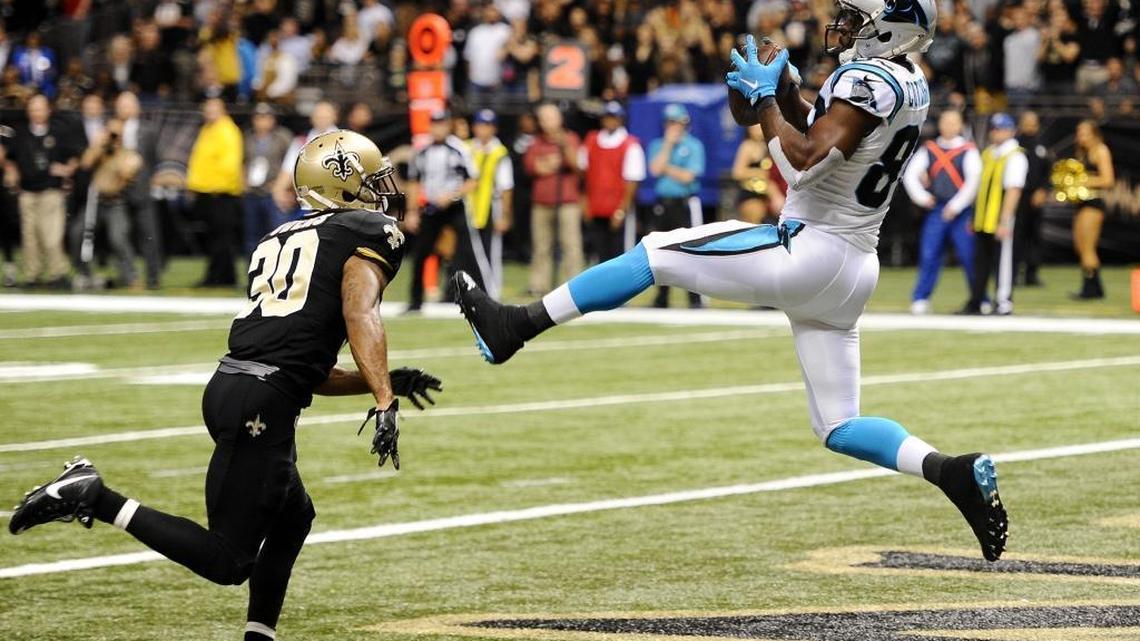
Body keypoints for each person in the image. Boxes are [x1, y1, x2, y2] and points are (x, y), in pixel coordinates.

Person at [454, 10, 1008, 566]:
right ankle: (949, 471)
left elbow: (802, 162)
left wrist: (768, 103)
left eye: (853, 16)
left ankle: (516, 326)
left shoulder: (864, 80)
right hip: (855, 268)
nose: (840, 24)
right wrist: (784, 93)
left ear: (887, 25)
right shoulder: (908, 80)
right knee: (839, 425)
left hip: (809, 250)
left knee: (656, 254)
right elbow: (826, 133)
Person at [9, 130, 443, 641]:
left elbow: (307, 368)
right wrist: (384, 399)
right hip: (260, 401)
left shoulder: (279, 237)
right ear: (340, 186)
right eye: (370, 181)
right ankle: (94, 495)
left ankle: (260, 636)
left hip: (237, 387)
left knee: (293, 516)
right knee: (228, 559)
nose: (381, 192)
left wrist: (382, 380)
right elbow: (359, 312)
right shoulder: (364, 232)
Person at [902, 109, 980, 314]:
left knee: (969, 255)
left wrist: (955, 206)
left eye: (954, 122)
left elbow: (973, 182)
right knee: (929, 254)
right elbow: (910, 175)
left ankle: (979, 297)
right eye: (946, 122)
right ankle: (920, 298)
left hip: (960, 212)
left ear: (961, 125)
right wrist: (922, 198)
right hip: (936, 209)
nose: (949, 126)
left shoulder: (968, 150)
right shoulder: (930, 148)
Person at [404, 109, 480, 312]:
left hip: (454, 206)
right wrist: (411, 211)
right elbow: (413, 181)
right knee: (421, 253)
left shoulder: (459, 149)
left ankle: (470, 298)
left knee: (465, 252)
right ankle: (415, 301)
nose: (438, 128)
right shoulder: (422, 151)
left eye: (442, 124)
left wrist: (453, 195)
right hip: (430, 206)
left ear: (448, 125)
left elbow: (472, 180)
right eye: (435, 124)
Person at [3, 94, 80, 287]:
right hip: (27, 192)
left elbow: (74, 157)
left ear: (48, 110)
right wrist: (11, 171)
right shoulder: (21, 134)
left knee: (51, 235)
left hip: (50, 191)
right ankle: (32, 275)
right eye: (33, 108)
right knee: (30, 236)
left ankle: (58, 274)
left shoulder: (58, 132)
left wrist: (66, 170)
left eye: (40, 108)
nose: (36, 112)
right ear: (29, 111)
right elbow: (9, 158)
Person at [959, 113, 1027, 316]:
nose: (996, 132)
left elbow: (1013, 190)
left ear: (1011, 130)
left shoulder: (1015, 155)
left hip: (1000, 219)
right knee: (980, 262)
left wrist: (1004, 221)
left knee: (1002, 262)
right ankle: (976, 300)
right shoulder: (988, 153)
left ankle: (1003, 302)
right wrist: (973, 215)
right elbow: (979, 187)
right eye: (994, 128)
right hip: (983, 218)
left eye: (1001, 128)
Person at [647, 103, 705, 308]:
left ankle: (695, 298)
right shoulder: (658, 145)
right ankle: (662, 297)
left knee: (691, 250)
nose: (674, 126)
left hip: (685, 203)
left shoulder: (694, 145)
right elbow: (654, 169)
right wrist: (668, 146)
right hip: (663, 203)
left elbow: (688, 177)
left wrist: (667, 168)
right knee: (661, 251)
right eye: (670, 122)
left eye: (678, 122)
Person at [525, 103, 583, 295]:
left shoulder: (571, 139)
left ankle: (573, 286)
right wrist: (550, 164)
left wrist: (563, 146)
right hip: (541, 202)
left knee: (571, 245)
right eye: (545, 118)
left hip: (567, 202)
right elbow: (532, 167)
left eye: (552, 117)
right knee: (541, 246)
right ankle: (538, 285)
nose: (548, 122)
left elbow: (577, 165)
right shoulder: (535, 143)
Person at [77, 118, 143, 287]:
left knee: (118, 237)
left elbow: (126, 174)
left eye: (116, 134)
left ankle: (131, 277)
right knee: (77, 233)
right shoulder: (100, 151)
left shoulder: (128, 154)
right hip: (95, 203)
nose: (113, 137)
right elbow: (85, 163)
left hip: (116, 203)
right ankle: (84, 274)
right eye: (110, 133)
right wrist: (100, 144)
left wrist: (115, 150)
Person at [186, 98, 243, 287]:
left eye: (213, 108)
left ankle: (217, 277)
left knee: (221, 239)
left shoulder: (226, 131)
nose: (209, 112)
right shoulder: (208, 129)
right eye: (207, 108)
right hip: (208, 192)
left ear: (223, 110)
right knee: (217, 238)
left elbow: (229, 165)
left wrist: (214, 187)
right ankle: (225, 276)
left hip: (220, 193)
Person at [582, 101, 646, 264]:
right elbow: (584, 172)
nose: (611, 122)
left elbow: (633, 180)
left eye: (614, 118)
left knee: (619, 254)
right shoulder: (592, 140)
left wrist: (621, 210)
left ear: (621, 120)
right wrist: (586, 204)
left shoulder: (630, 144)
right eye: (608, 117)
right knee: (599, 253)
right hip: (596, 207)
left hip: (617, 208)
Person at [115, 91, 164, 289]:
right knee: (118, 234)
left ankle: (153, 277)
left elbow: (154, 159)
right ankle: (127, 276)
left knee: (149, 235)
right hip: (118, 191)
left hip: (142, 190)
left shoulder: (148, 130)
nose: (125, 109)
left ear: (137, 108)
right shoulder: (112, 129)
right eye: (122, 105)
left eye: (129, 105)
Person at [466, 109, 514, 300]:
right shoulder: (467, 147)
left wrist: (505, 215)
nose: (482, 130)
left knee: (490, 253)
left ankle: (492, 294)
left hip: (490, 207)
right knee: (470, 251)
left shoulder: (499, 152)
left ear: (493, 128)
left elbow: (506, 187)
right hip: (469, 207)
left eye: (487, 126)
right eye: (479, 125)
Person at [1069, 119, 1114, 299]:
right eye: (1078, 133)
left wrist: (1082, 181)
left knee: (1088, 247)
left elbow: (1108, 180)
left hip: (1094, 204)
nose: (1080, 137)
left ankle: (1092, 288)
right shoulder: (1082, 152)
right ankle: (1093, 286)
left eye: (1084, 133)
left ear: (1094, 134)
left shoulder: (1101, 151)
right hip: (1082, 203)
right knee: (1080, 245)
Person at [243, 102, 292, 256]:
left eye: (266, 117)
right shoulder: (247, 137)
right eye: (259, 117)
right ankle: (253, 275)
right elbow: (242, 161)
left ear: (273, 119)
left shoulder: (283, 137)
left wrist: (283, 187)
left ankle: (278, 275)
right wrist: (243, 181)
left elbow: (291, 163)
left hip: (273, 193)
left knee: (277, 235)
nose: (262, 121)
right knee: (252, 237)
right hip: (252, 193)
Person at [1013, 110, 1050, 287]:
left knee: (1034, 236)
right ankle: (1012, 273)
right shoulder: (1014, 145)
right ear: (1020, 124)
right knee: (1016, 235)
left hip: (1035, 196)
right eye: (1027, 122)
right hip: (1017, 196)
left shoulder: (1042, 145)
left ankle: (1031, 274)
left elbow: (1047, 171)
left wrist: (1043, 190)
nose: (1030, 126)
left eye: (1033, 123)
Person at [732, 123, 784, 225]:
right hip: (752, 193)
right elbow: (737, 172)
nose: (757, 130)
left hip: (767, 194)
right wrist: (760, 173)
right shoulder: (748, 146)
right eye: (753, 127)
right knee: (755, 227)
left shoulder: (769, 145)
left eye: (760, 126)